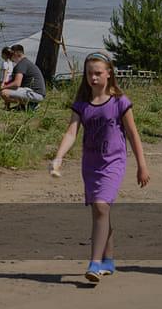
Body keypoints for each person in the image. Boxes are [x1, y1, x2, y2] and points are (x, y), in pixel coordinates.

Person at [50, 52, 150, 283]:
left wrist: (142, 165)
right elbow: (71, 133)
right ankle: (108, 260)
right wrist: (59, 157)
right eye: (89, 74)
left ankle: (94, 263)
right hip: (91, 164)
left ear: (109, 74)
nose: (93, 78)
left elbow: (133, 135)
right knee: (100, 211)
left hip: (113, 162)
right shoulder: (82, 105)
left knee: (101, 206)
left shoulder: (120, 102)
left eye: (98, 73)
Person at [0, 44, 46, 110]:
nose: (9, 57)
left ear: (16, 53)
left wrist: (3, 87)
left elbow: (17, 84)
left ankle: (32, 104)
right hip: (37, 93)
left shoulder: (21, 65)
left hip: (35, 94)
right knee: (8, 90)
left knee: (4, 93)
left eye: (11, 54)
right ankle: (25, 106)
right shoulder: (25, 62)